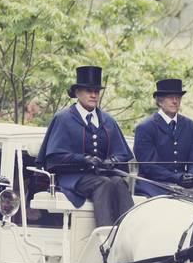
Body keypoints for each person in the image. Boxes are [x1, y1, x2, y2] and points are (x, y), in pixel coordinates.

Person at [38, 65, 134, 227]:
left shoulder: (107, 120)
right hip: (73, 177)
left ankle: (130, 228)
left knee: (118, 182)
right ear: (77, 93)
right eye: (89, 91)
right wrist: (83, 159)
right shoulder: (63, 118)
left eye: (96, 91)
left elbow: (122, 153)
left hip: (102, 174)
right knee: (103, 183)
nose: (93, 95)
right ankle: (105, 234)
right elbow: (55, 156)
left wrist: (113, 160)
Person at [132, 78, 193, 197]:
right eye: (170, 97)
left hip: (184, 186)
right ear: (160, 101)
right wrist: (177, 177)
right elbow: (148, 166)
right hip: (152, 184)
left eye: (178, 97)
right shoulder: (145, 127)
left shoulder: (190, 126)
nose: (175, 101)